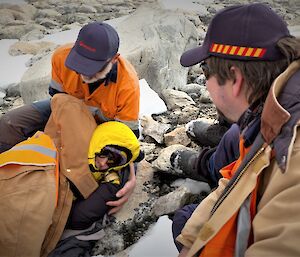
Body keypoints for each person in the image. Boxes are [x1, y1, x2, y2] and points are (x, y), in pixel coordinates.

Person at [172, 3, 300, 257]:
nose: (205, 82)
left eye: (205, 70)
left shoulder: (292, 152)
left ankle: (199, 163)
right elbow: (237, 179)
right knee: (234, 136)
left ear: (235, 78)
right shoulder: (273, 110)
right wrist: (191, 239)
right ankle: (203, 157)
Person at [0, 21, 140, 214]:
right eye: (80, 66)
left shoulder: (128, 86)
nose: (85, 76)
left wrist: (132, 176)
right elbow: (57, 101)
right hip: (66, 111)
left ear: (114, 59)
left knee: (109, 189)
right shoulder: (60, 57)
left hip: (101, 131)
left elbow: (126, 138)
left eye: (95, 69)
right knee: (9, 124)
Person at [0, 94, 141, 257]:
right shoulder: (77, 122)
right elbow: (62, 100)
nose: (103, 164)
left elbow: (126, 145)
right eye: (104, 154)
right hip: (30, 174)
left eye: (112, 162)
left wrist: (127, 170)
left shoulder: (109, 171)